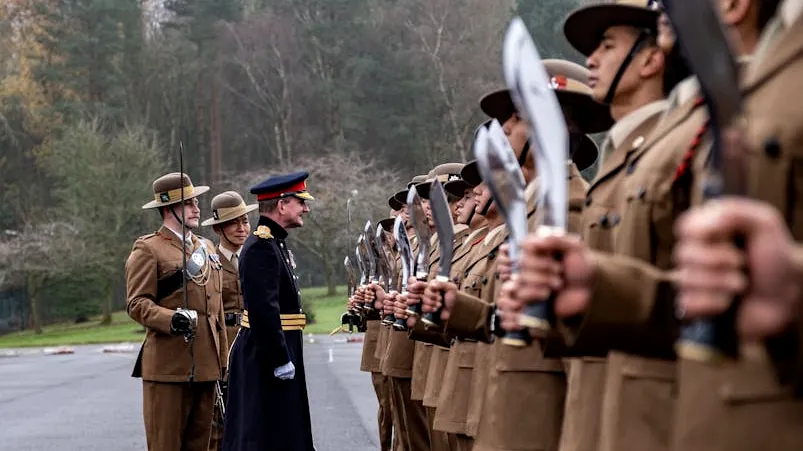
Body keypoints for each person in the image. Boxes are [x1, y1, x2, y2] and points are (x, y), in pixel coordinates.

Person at [126, 172, 227, 451]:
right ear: (169, 208)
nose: (197, 208)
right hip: (169, 368)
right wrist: (172, 318)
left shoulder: (206, 248)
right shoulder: (148, 249)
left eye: (197, 201)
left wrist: (223, 363)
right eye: (189, 203)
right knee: (166, 445)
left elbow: (215, 314)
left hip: (207, 367)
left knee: (203, 446)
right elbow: (137, 303)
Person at [223, 172, 315, 451]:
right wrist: (279, 358)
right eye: (301, 202)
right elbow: (264, 310)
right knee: (264, 432)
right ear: (282, 205)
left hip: (279, 347)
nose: (306, 209)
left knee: (282, 428)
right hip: (266, 354)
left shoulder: (274, 243)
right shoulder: (261, 247)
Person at [201, 191, 257, 451]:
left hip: (255, 343)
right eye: (233, 223)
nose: (241, 228)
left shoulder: (257, 256)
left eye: (244, 221)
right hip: (223, 344)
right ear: (219, 228)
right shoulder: (207, 262)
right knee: (221, 421)